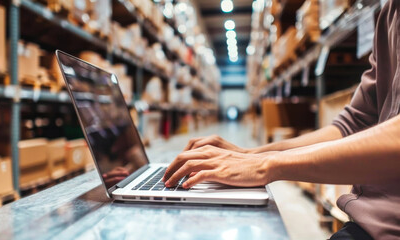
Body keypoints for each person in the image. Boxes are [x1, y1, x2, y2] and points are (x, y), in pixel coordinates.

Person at [163, 1, 400, 239]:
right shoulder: (390, 13)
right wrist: (250, 155)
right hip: (370, 223)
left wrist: (267, 166)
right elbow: (353, 124)